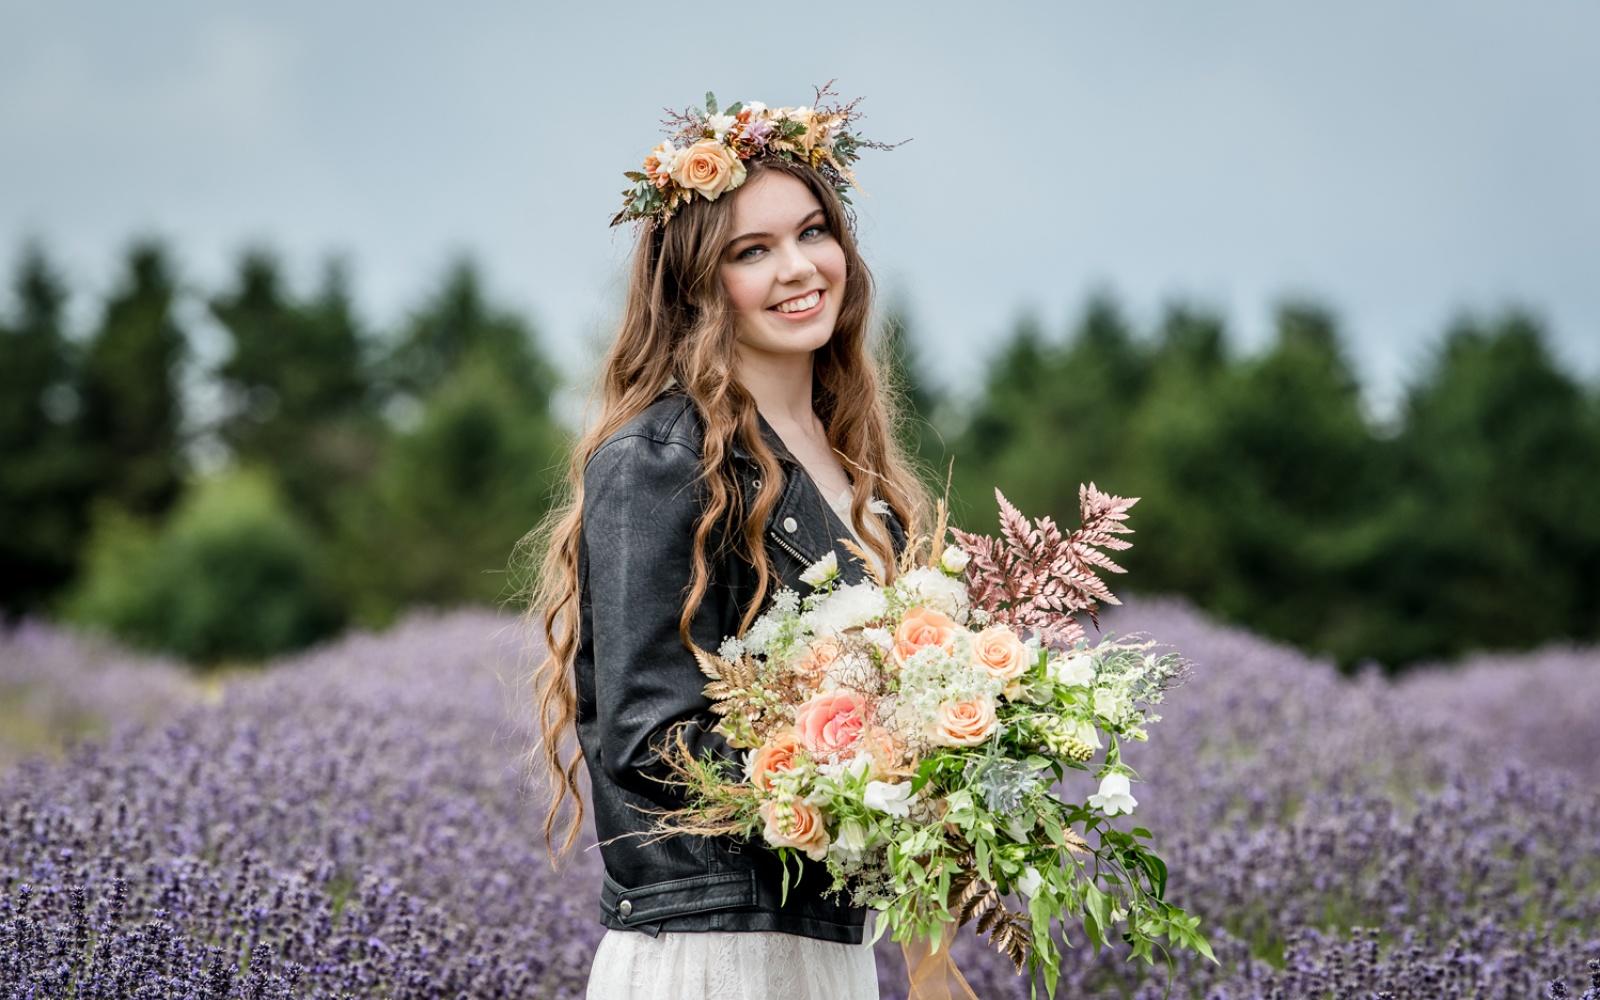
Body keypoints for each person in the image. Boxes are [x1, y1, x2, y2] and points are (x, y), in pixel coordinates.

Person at [523, 88, 933, 999]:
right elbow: (646, 737)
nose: (798, 268)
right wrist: (857, 776)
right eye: (753, 251)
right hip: (713, 950)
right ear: (701, 285)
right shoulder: (658, 462)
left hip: (836, 953)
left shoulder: (864, 480)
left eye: (813, 232)